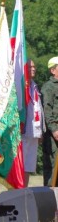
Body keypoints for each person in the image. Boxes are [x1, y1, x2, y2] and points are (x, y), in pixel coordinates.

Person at [22, 60, 44, 187]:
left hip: (34, 132)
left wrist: (40, 130)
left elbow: (37, 109)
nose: (34, 69)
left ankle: (24, 191)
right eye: (30, 67)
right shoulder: (20, 86)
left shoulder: (34, 86)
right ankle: (16, 192)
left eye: (35, 66)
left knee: (29, 165)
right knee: (20, 164)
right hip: (23, 131)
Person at [41, 57, 58, 187]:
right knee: (53, 167)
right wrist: (54, 129)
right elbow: (46, 109)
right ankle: (51, 201)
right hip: (54, 133)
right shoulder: (49, 87)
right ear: (53, 70)